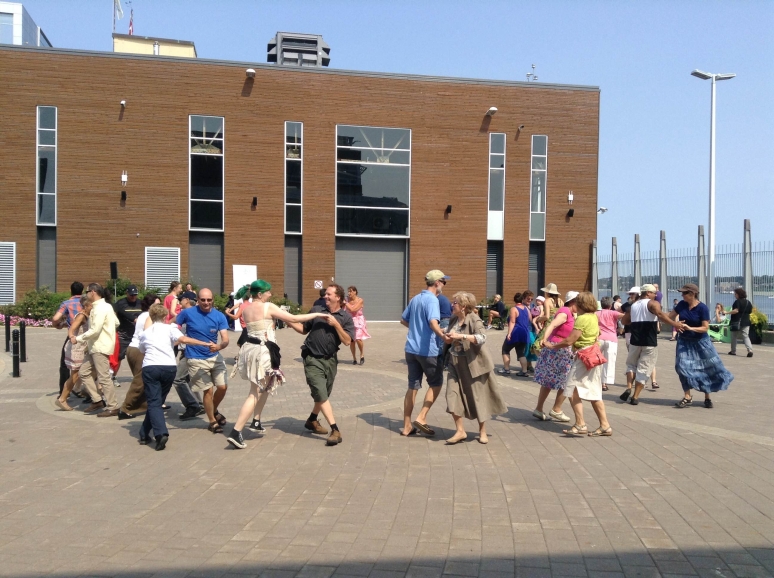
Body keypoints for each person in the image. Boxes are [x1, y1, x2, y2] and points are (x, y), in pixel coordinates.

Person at [227, 280, 328, 449]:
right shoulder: (268, 307)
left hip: (250, 349)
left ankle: (256, 420)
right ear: (260, 294)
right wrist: (317, 314)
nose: (270, 294)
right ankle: (236, 431)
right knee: (254, 393)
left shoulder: (246, 308)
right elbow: (294, 318)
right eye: (268, 291)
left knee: (266, 386)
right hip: (262, 351)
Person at [287, 284, 354, 446]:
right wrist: (288, 320)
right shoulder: (317, 310)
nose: (325, 296)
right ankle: (335, 429)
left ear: (338, 297)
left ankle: (312, 420)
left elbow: (347, 341)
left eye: (329, 294)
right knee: (320, 392)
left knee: (324, 394)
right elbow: (304, 329)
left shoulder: (345, 317)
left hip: (330, 360)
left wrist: (336, 324)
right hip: (312, 357)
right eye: (326, 294)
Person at [138, 304, 212, 450]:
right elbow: (184, 339)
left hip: (151, 367)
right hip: (169, 367)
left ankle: (160, 433)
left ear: (151, 317)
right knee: (157, 402)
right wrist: (204, 343)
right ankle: (144, 433)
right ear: (165, 316)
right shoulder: (170, 328)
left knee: (154, 402)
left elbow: (142, 350)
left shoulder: (145, 333)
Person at [544, 291, 612, 437]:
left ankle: (580, 424)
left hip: (583, 355)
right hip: (594, 355)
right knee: (594, 392)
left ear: (581, 304)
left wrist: (552, 346)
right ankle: (605, 425)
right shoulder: (593, 316)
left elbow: (570, 340)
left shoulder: (582, 318)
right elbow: (598, 334)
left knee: (571, 388)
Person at [442, 291, 507, 444]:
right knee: (451, 395)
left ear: (464, 306)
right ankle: (460, 431)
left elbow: (482, 338)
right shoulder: (454, 319)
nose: (452, 305)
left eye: (455, 302)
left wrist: (461, 336)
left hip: (473, 364)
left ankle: (482, 431)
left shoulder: (474, 319)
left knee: (477, 397)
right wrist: (445, 336)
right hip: (454, 363)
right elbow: (448, 337)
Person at [400, 270, 449, 436]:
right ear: (437, 283)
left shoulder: (415, 298)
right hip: (427, 351)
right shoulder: (432, 300)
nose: (444, 285)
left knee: (412, 386)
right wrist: (442, 335)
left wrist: (417, 329)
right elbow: (433, 322)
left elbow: (403, 319)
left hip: (411, 349)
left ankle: (407, 426)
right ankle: (421, 417)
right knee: (436, 383)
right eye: (444, 282)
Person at [174, 288, 230, 433]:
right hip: (195, 358)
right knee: (208, 390)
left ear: (213, 300)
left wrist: (219, 346)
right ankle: (212, 421)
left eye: (209, 300)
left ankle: (213, 410)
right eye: (203, 300)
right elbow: (173, 325)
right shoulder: (187, 313)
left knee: (222, 387)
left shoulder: (219, 316)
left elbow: (225, 338)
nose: (206, 303)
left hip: (214, 356)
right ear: (197, 300)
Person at [670, 284, 734, 409]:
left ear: (692, 294)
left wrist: (690, 328)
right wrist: (675, 323)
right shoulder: (682, 305)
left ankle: (707, 397)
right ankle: (687, 396)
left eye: (684, 293)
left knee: (706, 368)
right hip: (684, 341)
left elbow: (705, 328)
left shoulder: (702, 308)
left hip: (701, 342)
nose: (682, 295)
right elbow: (668, 316)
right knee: (681, 367)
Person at [620, 284, 683, 405]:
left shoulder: (633, 305)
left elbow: (624, 321)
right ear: (648, 293)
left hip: (635, 340)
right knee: (644, 369)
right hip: (649, 341)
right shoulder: (653, 303)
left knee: (631, 365)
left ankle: (628, 387)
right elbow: (660, 315)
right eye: (654, 293)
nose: (655, 295)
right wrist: (675, 324)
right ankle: (635, 397)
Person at [75, 283, 121, 416]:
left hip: (100, 346)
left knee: (103, 376)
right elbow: (116, 322)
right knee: (83, 372)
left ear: (93, 292)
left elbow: (95, 330)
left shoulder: (100, 308)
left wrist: (78, 338)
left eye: (87, 291)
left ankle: (113, 406)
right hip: (95, 345)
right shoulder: (106, 306)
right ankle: (97, 400)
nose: (86, 294)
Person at [532, 291, 577, 422]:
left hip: (557, 348)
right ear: (572, 302)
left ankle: (539, 409)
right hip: (559, 349)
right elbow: (552, 324)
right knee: (567, 380)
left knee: (549, 380)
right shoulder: (565, 312)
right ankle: (556, 409)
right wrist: (544, 339)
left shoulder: (569, 312)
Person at [117, 293, 159, 420]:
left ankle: (146, 405)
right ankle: (125, 408)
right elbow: (148, 335)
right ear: (150, 306)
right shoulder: (149, 316)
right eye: (157, 305)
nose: (160, 307)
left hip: (133, 348)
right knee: (139, 382)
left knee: (145, 380)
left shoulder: (142, 315)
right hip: (139, 350)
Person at [173, 291, 206, 420]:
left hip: (190, 351)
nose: (179, 302)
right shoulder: (197, 313)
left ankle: (193, 406)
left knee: (178, 379)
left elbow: (185, 335)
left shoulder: (188, 313)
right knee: (188, 379)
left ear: (187, 300)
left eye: (181, 300)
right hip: (189, 350)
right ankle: (199, 404)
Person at [55, 294, 92, 411]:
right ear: (86, 305)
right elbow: (72, 328)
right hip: (77, 348)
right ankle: (62, 399)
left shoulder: (87, 315)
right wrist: (71, 336)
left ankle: (82, 390)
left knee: (84, 371)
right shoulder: (81, 316)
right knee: (75, 375)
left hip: (82, 346)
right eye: (92, 305)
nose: (93, 307)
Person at [52, 281, 84, 397]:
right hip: (87, 335)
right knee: (85, 363)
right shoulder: (87, 303)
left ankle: (63, 391)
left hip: (73, 335)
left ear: (71, 291)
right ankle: (82, 389)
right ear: (82, 291)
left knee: (65, 363)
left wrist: (57, 325)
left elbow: (56, 318)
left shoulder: (67, 303)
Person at [112, 285, 143, 381]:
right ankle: (113, 377)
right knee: (118, 357)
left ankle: (138, 377)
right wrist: (133, 318)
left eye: (135, 295)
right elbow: (121, 312)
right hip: (123, 335)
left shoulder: (141, 303)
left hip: (137, 336)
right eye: (131, 295)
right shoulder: (121, 303)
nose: (133, 297)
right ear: (127, 293)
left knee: (139, 357)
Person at [498, 292, 531, 377]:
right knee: (520, 352)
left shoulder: (514, 309)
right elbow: (530, 319)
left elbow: (512, 322)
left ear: (514, 300)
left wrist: (509, 333)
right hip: (525, 332)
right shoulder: (526, 308)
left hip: (516, 332)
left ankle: (506, 369)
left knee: (505, 349)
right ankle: (524, 371)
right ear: (522, 299)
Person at [596, 296, 623, 392]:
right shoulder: (613, 313)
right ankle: (605, 383)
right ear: (611, 305)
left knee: (597, 360)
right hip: (611, 338)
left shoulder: (596, 313)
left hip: (599, 338)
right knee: (610, 361)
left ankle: (595, 379)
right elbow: (624, 316)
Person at [345, 286, 371, 365]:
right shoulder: (346, 299)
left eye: (351, 291)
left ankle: (361, 354)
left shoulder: (360, 300)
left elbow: (353, 309)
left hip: (358, 321)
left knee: (358, 339)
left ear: (355, 292)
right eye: (348, 291)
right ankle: (354, 358)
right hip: (349, 321)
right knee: (352, 341)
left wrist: (345, 303)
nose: (349, 293)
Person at [728, 287, 754, 357]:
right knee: (746, 336)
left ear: (738, 294)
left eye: (735, 294)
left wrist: (727, 312)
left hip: (736, 321)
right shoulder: (748, 302)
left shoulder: (737, 302)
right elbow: (750, 311)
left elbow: (736, 310)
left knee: (734, 336)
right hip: (746, 321)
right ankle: (750, 350)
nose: (734, 295)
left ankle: (733, 351)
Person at [437, 291, 452, 366]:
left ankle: (441, 364)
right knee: (446, 344)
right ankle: (445, 363)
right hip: (448, 320)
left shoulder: (437, 299)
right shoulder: (444, 298)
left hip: (443, 320)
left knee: (441, 344)